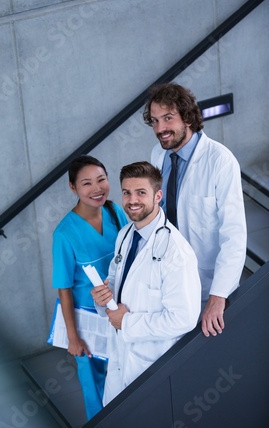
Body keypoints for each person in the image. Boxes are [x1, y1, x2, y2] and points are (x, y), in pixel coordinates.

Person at [91, 161, 201, 405]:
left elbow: (183, 319)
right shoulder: (125, 235)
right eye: (127, 192)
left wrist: (127, 322)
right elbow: (117, 286)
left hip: (151, 366)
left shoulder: (176, 253)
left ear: (158, 196)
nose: (132, 200)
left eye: (141, 192)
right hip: (120, 358)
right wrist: (103, 297)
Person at [142, 82, 247, 338]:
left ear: (188, 117)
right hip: (168, 277)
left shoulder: (220, 161)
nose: (160, 129)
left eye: (168, 119)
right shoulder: (158, 155)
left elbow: (234, 235)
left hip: (205, 284)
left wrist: (218, 296)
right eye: (154, 121)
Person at [52, 155, 128, 420]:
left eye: (101, 180)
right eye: (87, 183)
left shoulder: (115, 212)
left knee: (124, 372)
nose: (97, 189)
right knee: (93, 383)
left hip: (119, 309)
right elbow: (63, 288)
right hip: (88, 319)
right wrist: (73, 337)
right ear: (73, 188)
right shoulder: (64, 233)